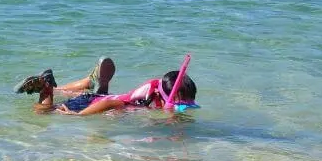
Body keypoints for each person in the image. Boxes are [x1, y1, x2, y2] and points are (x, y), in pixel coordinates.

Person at [16, 56, 198, 116]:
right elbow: (112, 104)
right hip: (92, 104)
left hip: (99, 98)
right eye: (180, 106)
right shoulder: (146, 98)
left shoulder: (155, 92)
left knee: (92, 95)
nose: (183, 110)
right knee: (42, 112)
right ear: (160, 96)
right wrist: (79, 116)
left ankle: (90, 82)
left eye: (187, 106)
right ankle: (46, 89)